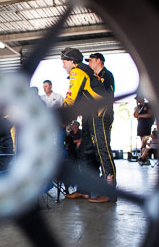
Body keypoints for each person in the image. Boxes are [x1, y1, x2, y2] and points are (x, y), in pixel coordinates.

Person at [60, 47, 116, 203]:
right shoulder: (83, 71)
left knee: (102, 151)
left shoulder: (78, 71)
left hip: (100, 114)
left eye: (64, 62)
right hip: (89, 116)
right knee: (84, 152)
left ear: (72, 61)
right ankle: (84, 190)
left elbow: (71, 98)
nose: (63, 66)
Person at [86, 53, 117, 203]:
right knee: (99, 151)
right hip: (94, 116)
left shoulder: (107, 75)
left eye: (91, 60)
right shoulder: (93, 77)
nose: (89, 63)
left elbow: (107, 96)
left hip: (103, 115)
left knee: (104, 151)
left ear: (99, 61)